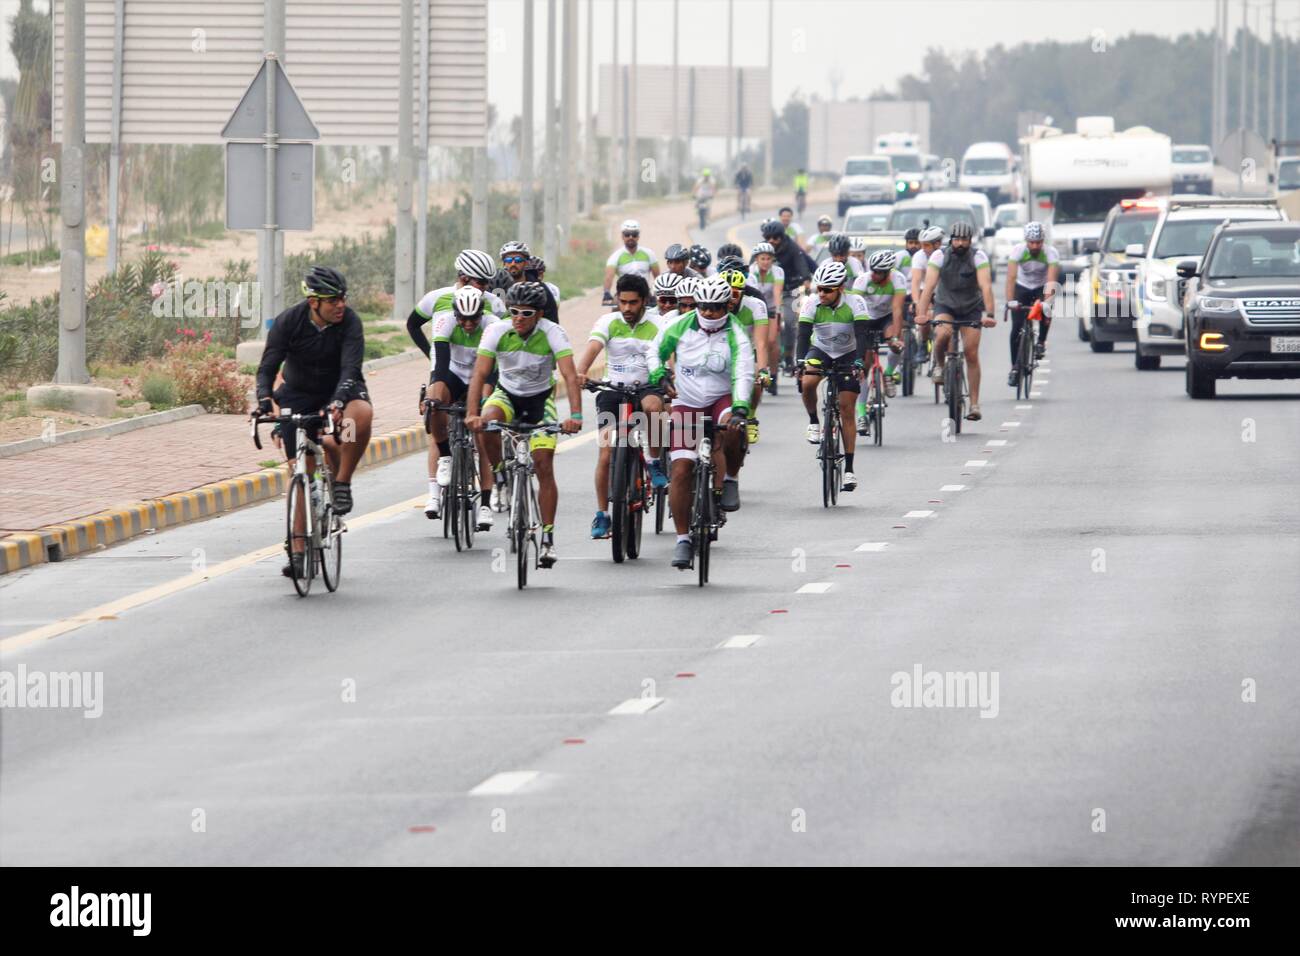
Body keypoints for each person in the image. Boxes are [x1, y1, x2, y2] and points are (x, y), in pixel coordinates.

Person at [255, 267, 374, 577]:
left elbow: (351, 368)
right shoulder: (289, 322)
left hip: (342, 392)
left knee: (350, 427)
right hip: (297, 395)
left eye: (343, 298)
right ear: (313, 302)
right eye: (333, 300)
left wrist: (337, 402)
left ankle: (343, 482)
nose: (340, 305)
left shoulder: (349, 323)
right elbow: (267, 366)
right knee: (301, 470)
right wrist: (264, 399)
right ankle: (297, 552)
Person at [466, 282, 583, 568]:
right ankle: (498, 477)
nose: (518, 317)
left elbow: (569, 375)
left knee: (543, 465)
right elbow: (479, 375)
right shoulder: (497, 331)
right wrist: (472, 414)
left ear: (539, 314)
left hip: (540, 400)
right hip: (507, 395)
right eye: (513, 311)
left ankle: (548, 539)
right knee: (487, 421)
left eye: (526, 313)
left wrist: (576, 416)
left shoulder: (553, 333)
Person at [648, 275, 755, 570]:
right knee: (681, 469)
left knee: (734, 428)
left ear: (726, 306)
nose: (708, 312)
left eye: (715, 307)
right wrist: (659, 376)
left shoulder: (736, 332)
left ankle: (731, 478)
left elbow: (744, 370)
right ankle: (683, 539)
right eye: (703, 306)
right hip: (687, 400)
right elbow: (653, 352)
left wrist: (741, 408)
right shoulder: (679, 326)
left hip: (722, 397)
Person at [408, 250, 507, 515]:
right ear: (464, 278)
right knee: (434, 413)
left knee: (482, 430)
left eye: (489, 283)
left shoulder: (493, 307)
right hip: (446, 369)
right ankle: (434, 493)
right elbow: (412, 325)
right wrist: (427, 351)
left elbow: (502, 349)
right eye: (481, 282)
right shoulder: (437, 300)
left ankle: (486, 498)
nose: (487, 289)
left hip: (481, 369)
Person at [576, 273, 671, 539]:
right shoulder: (608, 321)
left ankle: (653, 461)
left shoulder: (658, 323)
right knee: (605, 455)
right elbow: (593, 347)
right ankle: (602, 515)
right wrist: (581, 372)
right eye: (623, 302)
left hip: (646, 387)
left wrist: (671, 378)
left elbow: (670, 354)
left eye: (633, 303)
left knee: (655, 409)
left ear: (644, 302)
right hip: (613, 391)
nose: (627, 308)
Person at [421, 285, 499, 530]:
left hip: (482, 375)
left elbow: (493, 371)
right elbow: (440, 367)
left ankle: (485, 504)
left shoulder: (492, 325)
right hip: (453, 373)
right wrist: (434, 398)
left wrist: (482, 403)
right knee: (435, 401)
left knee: (482, 431)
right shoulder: (444, 322)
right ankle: (445, 455)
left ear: (481, 314)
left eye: (473, 318)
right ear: (455, 314)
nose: (468, 324)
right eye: (463, 318)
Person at [796, 260, 871, 492]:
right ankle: (814, 422)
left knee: (847, 407)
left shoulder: (856, 303)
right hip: (821, 350)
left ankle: (849, 469)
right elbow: (803, 334)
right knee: (808, 381)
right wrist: (799, 362)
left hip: (848, 353)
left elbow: (862, 334)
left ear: (840, 287)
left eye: (827, 289)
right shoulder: (811, 303)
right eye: (819, 288)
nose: (821, 293)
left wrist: (859, 361)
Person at [916, 221, 996, 421]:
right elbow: (929, 286)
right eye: (957, 239)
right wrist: (922, 314)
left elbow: (985, 286)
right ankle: (940, 366)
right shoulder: (939, 255)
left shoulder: (978, 256)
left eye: (964, 240)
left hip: (971, 308)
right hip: (946, 305)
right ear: (951, 240)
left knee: (971, 353)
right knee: (942, 334)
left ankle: (974, 404)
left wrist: (990, 315)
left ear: (970, 241)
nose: (960, 243)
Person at [850, 251, 907, 433]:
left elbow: (897, 310)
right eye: (873, 270)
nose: (874, 274)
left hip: (886, 318)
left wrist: (896, 337)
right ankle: (861, 414)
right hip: (866, 318)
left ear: (888, 272)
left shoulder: (898, 279)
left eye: (879, 272)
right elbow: (853, 308)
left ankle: (889, 373)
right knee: (862, 368)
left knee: (895, 343)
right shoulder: (863, 280)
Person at [720, 262, 770, 443]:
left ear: (743, 292)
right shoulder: (716, 305)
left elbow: (761, 342)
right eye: (726, 294)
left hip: (747, 351)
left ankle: (750, 417)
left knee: (756, 377)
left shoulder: (755, 305)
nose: (730, 299)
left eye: (734, 294)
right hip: (721, 351)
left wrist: (764, 370)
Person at [1005, 220, 1060, 385]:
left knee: (1046, 309)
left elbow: (1051, 282)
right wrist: (1010, 301)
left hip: (1041, 287)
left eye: (1038, 242)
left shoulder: (1051, 253)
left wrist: (1047, 302)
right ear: (1026, 241)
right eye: (1031, 242)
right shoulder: (1018, 251)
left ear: (1043, 241)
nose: (1035, 246)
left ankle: (1041, 341)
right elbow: (1011, 278)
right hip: (1022, 286)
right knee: (1016, 328)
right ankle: (1015, 367)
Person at [762, 219, 817, 376]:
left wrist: (807, 279)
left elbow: (802, 262)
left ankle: (788, 357)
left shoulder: (791, 247)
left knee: (790, 321)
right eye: (768, 238)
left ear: (781, 237)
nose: (772, 241)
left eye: (775, 238)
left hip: (790, 291)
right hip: (768, 293)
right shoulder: (763, 249)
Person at [748, 242, 785, 388]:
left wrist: (777, 314)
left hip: (770, 308)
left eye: (769, 259)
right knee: (756, 341)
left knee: (771, 341)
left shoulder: (778, 272)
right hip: (756, 307)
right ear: (756, 259)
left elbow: (777, 294)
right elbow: (754, 294)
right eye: (762, 258)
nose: (765, 262)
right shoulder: (750, 272)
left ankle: (774, 374)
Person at [603, 219, 659, 306]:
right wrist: (606, 292)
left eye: (634, 234)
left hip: (644, 293)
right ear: (622, 236)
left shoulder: (649, 254)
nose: (630, 237)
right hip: (624, 293)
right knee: (615, 312)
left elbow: (657, 277)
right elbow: (609, 277)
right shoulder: (615, 256)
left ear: (638, 236)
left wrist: (657, 293)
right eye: (627, 234)